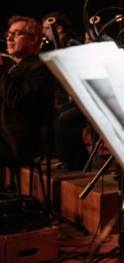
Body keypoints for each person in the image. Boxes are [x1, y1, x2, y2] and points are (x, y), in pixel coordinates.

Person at [1, 16, 56, 170]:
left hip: (19, 142)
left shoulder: (41, 67)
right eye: (9, 34)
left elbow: (15, 100)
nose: (10, 38)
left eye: (17, 34)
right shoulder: (16, 68)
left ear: (33, 40)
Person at [41, 12, 91, 171]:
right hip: (76, 96)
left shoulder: (72, 43)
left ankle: (77, 163)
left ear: (59, 28)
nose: (44, 32)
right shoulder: (63, 43)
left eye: (46, 28)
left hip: (86, 96)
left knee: (65, 119)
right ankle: (67, 158)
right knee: (60, 113)